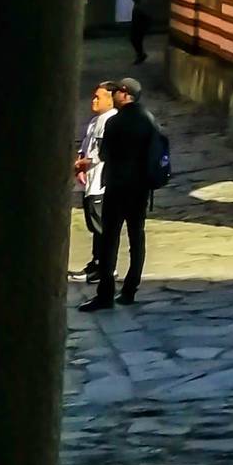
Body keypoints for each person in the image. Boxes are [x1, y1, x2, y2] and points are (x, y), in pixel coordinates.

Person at [82, 76, 156, 310]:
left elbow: (104, 154)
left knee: (109, 239)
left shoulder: (116, 122)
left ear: (124, 93)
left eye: (116, 92)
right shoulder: (149, 120)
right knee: (137, 238)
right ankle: (130, 290)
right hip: (140, 188)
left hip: (116, 187)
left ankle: (105, 293)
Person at [72, 81, 113, 286]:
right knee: (94, 225)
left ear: (110, 99)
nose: (94, 100)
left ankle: (105, 266)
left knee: (101, 227)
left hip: (101, 182)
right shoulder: (95, 121)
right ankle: (96, 262)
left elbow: (100, 153)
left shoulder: (110, 121)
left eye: (99, 97)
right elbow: (87, 146)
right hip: (90, 181)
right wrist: (80, 164)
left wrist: (80, 163)